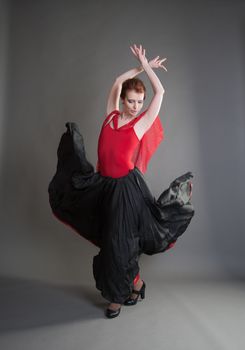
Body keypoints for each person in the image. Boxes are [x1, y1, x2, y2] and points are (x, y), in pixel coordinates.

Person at [48, 44, 195, 319]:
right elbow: (117, 82)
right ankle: (136, 285)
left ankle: (117, 297)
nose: (136, 107)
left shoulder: (138, 126)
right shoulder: (110, 117)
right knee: (113, 240)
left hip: (126, 192)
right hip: (104, 188)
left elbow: (160, 92)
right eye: (131, 101)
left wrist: (148, 68)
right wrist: (138, 65)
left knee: (119, 243)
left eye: (139, 102)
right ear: (122, 100)